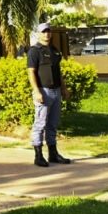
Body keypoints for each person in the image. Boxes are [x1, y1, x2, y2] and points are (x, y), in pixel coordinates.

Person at [26, 22, 72, 167]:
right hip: (43, 91)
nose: (46, 34)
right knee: (40, 124)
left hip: (56, 91)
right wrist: (36, 91)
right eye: (44, 31)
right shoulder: (34, 51)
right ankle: (38, 156)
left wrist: (64, 88)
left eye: (48, 31)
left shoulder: (54, 51)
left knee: (52, 124)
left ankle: (53, 154)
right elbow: (31, 72)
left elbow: (58, 71)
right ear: (38, 34)